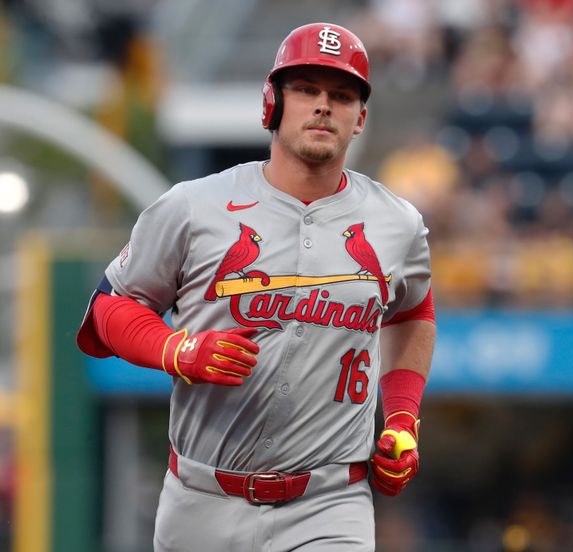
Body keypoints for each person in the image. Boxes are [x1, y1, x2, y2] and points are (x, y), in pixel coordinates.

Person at [76, 22, 436, 552]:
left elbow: (412, 313)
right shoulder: (193, 205)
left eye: (340, 95)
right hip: (201, 498)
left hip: (329, 504)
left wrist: (403, 418)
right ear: (272, 101)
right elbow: (112, 307)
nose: (322, 106)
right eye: (306, 89)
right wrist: (176, 348)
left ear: (360, 118)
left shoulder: (397, 223)